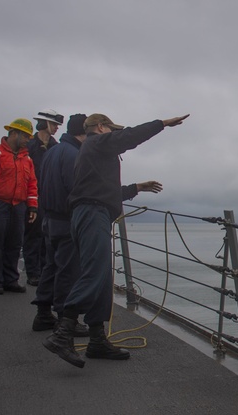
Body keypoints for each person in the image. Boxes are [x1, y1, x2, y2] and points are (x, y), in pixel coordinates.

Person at [44, 112, 188, 368]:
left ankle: (97, 339)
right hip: (92, 214)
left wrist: (136, 188)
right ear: (100, 127)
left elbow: (103, 189)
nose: (114, 134)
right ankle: (62, 333)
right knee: (93, 274)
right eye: (112, 129)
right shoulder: (96, 142)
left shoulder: (90, 152)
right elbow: (130, 137)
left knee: (101, 278)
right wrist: (161, 124)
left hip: (88, 213)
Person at [31, 113, 162, 335]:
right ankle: (66, 323)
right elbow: (86, 190)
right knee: (71, 271)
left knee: (51, 267)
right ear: (86, 131)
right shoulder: (77, 154)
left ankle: (43, 313)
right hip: (72, 219)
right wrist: (131, 190)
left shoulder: (52, 152)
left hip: (49, 219)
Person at [0, 118, 39, 294]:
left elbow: (32, 183)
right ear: (14, 133)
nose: (27, 140)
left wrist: (32, 206)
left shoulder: (27, 160)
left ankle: (10, 279)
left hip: (19, 206)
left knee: (15, 244)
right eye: (25, 136)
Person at [23, 109, 63, 286]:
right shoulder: (29, 146)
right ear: (44, 124)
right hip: (31, 196)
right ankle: (32, 272)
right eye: (53, 124)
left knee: (46, 236)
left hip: (48, 197)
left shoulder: (55, 146)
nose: (56, 128)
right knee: (33, 236)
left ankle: (43, 270)